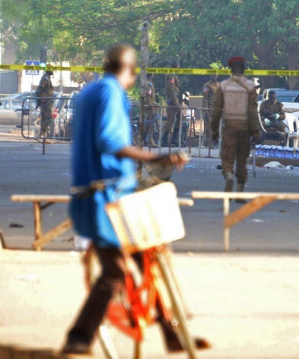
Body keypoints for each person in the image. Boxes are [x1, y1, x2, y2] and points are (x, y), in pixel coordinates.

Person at [63, 44, 208, 356]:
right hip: (106, 202)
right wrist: (158, 155)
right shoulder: (113, 92)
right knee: (114, 273)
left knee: (147, 260)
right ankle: (78, 338)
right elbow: (111, 142)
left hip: (101, 195)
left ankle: (170, 332)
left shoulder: (89, 92)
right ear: (130, 71)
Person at [210, 56, 260, 201]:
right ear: (243, 69)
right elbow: (252, 112)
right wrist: (255, 131)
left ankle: (229, 176)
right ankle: (239, 190)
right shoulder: (250, 87)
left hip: (229, 126)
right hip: (244, 127)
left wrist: (213, 130)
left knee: (227, 156)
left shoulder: (224, 86)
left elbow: (217, 110)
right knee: (242, 159)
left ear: (231, 69)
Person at [164, 62, 181, 146]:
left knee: (177, 118)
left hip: (174, 100)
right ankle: (165, 140)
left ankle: (175, 139)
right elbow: (171, 89)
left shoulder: (173, 75)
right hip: (172, 101)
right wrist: (176, 102)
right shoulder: (171, 75)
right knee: (170, 120)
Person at [36, 69, 54, 138]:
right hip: (46, 101)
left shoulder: (47, 78)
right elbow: (40, 88)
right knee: (49, 118)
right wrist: (38, 100)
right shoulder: (45, 78)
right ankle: (42, 131)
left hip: (47, 100)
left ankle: (42, 133)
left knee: (44, 117)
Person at [202, 75, 219, 147]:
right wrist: (206, 110)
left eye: (216, 75)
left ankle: (214, 142)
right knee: (208, 127)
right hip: (209, 108)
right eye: (213, 74)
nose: (214, 76)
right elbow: (205, 98)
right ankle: (209, 143)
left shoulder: (219, 85)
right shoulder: (207, 85)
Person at [143, 77, 158, 147]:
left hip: (150, 106)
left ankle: (149, 141)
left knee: (149, 125)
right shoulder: (149, 85)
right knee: (149, 124)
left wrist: (155, 104)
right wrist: (151, 106)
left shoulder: (148, 84)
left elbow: (151, 98)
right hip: (150, 108)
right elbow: (149, 97)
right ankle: (137, 137)